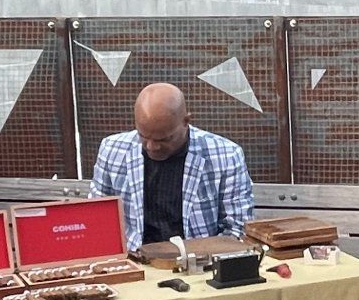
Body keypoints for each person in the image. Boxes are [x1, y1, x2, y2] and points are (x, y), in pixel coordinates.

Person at [92, 83, 254, 252]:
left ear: (186, 121)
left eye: (163, 139)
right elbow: (97, 220)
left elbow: (237, 229)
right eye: (143, 136)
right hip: (133, 257)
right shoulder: (112, 150)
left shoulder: (226, 156)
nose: (152, 147)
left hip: (201, 259)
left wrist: (202, 261)